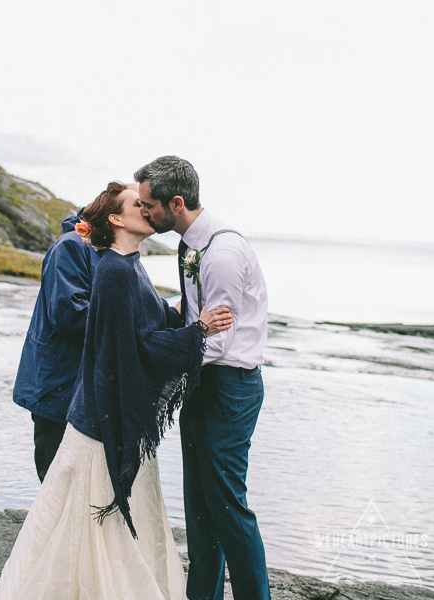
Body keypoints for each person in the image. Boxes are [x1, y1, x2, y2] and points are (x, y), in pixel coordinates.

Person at [0, 182, 232, 600]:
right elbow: (79, 318)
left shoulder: (124, 262)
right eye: (137, 203)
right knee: (71, 498)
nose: (146, 208)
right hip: (63, 392)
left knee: (82, 502)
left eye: (146, 202)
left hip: (101, 396)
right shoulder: (78, 252)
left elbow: (138, 318)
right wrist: (185, 332)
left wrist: (175, 312)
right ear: (114, 218)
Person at [135, 156, 270, 600]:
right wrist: (164, 310)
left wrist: (156, 361)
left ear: (176, 203)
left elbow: (222, 342)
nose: (143, 211)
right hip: (202, 382)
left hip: (228, 387)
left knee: (228, 509)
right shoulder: (191, 244)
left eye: (149, 204)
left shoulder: (223, 252)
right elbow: (197, 311)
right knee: (199, 511)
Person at [13, 208, 102, 482]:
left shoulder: (99, 249)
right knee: (58, 482)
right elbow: (70, 315)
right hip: (59, 386)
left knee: (78, 483)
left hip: (75, 386)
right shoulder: (72, 246)